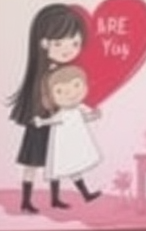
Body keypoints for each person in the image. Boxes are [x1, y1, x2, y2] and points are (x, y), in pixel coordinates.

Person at [7, 3, 84, 215]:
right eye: (59, 43)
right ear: (43, 43)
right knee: (31, 164)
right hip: (39, 123)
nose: (68, 49)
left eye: (75, 42)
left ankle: (55, 198)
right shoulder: (42, 74)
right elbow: (42, 98)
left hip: (55, 123)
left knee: (55, 163)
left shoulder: (64, 72)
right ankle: (25, 201)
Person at [40, 63, 103, 209]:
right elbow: (54, 119)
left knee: (73, 168)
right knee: (57, 170)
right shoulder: (62, 112)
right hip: (61, 143)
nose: (71, 93)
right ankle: (55, 199)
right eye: (61, 91)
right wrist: (42, 122)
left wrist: (95, 115)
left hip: (75, 140)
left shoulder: (80, 107)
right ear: (52, 96)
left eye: (76, 86)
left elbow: (87, 117)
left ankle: (85, 195)